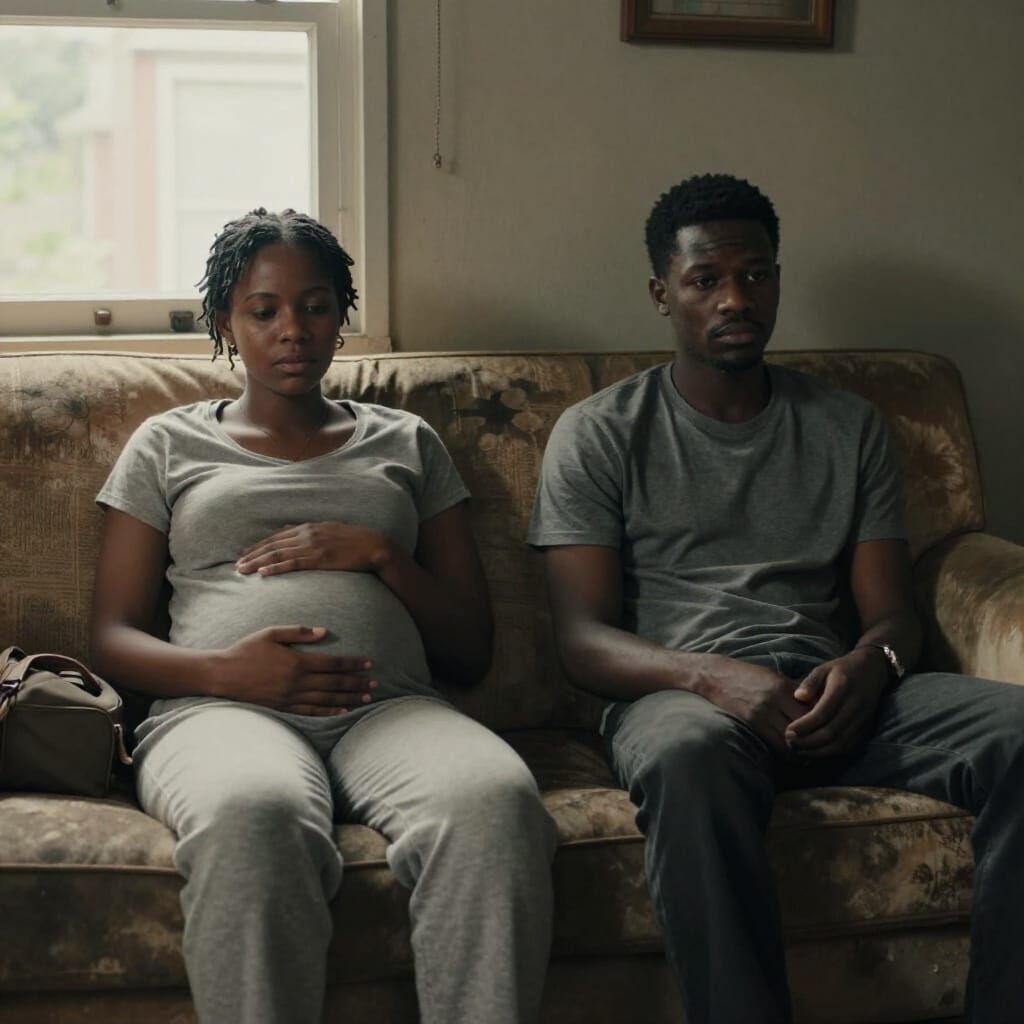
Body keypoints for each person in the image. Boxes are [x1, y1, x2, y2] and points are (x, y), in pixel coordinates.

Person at [528, 173, 1024, 1024]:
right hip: (687, 704)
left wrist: (870, 666)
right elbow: (581, 641)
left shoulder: (848, 425)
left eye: (755, 276)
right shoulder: (600, 432)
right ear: (662, 294)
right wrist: (714, 680)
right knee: (688, 761)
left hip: (837, 694)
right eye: (705, 280)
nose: (735, 299)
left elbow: (892, 614)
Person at [91, 208, 556, 1024]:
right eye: (262, 310)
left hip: (392, 709)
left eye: (313, 305)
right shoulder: (167, 444)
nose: (292, 329)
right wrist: (226, 672)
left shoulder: (407, 441)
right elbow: (111, 636)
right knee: (252, 814)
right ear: (226, 326)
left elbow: (472, 648)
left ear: (341, 315)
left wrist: (382, 555)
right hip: (220, 713)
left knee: (496, 802)